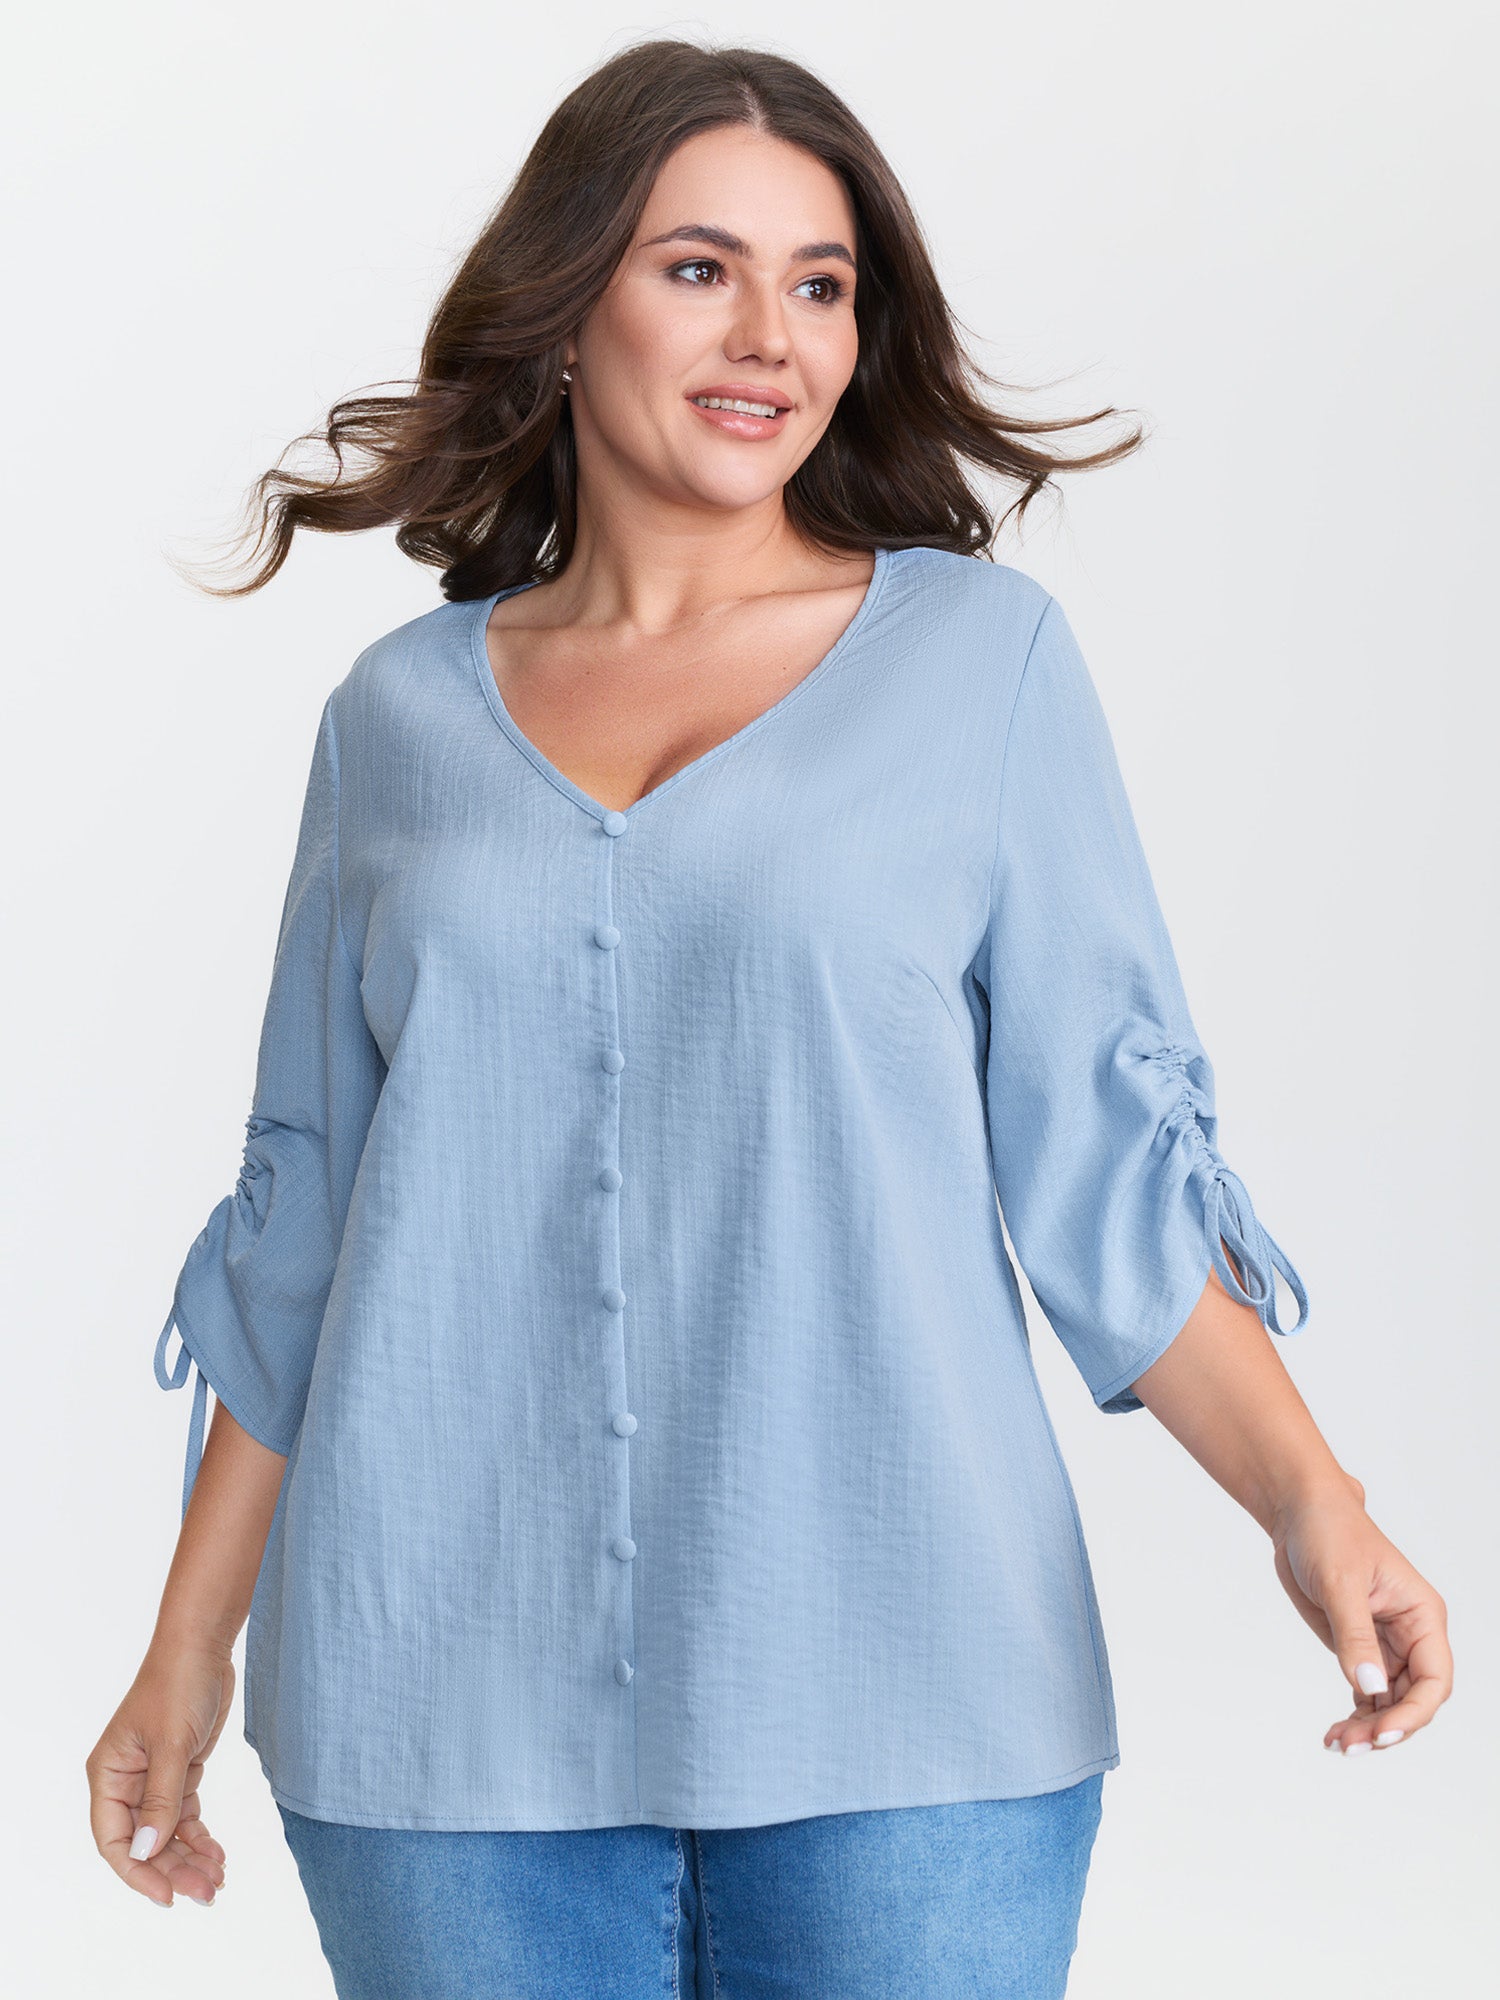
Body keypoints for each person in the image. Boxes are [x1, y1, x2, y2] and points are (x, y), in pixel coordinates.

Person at [86, 36, 1452, 2000]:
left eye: (821, 284)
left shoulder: (983, 669)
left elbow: (1108, 1179)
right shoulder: (393, 721)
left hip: (915, 1708)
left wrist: (1321, 1512)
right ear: (569, 305)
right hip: (434, 1716)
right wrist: (185, 1649)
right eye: (700, 268)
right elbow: (299, 1231)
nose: (772, 336)